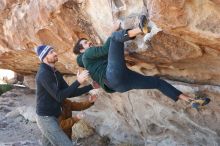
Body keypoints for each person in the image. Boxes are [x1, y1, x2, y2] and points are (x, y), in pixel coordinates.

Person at [73, 15, 210, 108]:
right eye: (85, 43)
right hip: (113, 75)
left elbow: (109, 52)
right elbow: (108, 46)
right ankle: (141, 28)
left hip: (120, 85)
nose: (89, 42)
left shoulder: (90, 62)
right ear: (81, 50)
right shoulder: (87, 55)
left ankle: (190, 101)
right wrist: (113, 30)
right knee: (115, 37)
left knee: (157, 82)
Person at [35, 45, 96, 146]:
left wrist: (91, 86)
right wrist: (78, 81)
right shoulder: (43, 74)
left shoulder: (55, 72)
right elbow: (59, 96)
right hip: (46, 118)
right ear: (45, 57)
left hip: (56, 115)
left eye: (54, 51)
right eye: (51, 52)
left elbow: (70, 92)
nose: (55, 53)